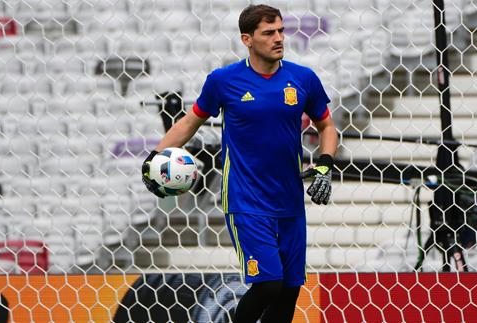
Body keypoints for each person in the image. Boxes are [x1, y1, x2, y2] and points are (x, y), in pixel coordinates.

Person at [142, 4, 338, 323]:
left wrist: (325, 164)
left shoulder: (304, 79)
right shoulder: (224, 81)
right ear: (247, 39)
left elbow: (327, 126)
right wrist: (155, 156)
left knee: (289, 289)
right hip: (246, 200)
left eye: (281, 31)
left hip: (289, 201)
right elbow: (190, 122)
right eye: (268, 33)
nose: (278, 39)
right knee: (268, 283)